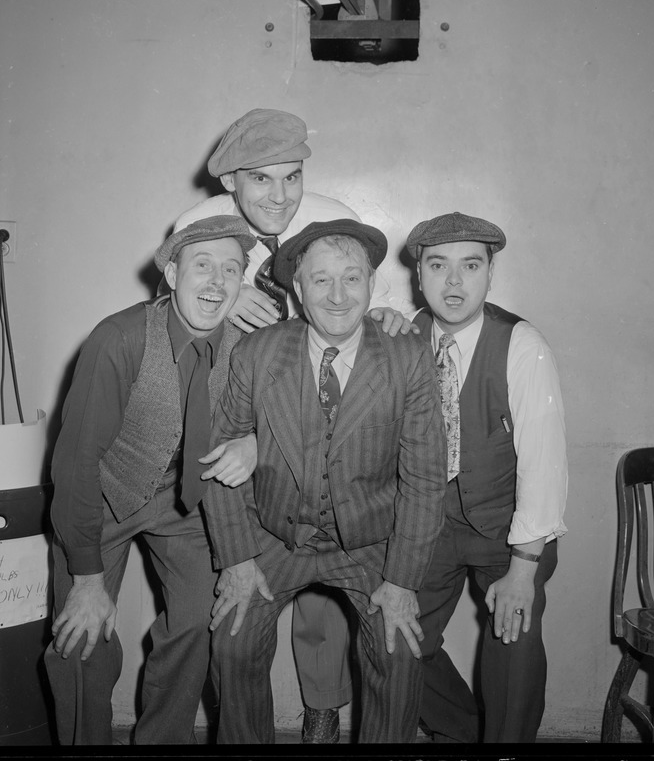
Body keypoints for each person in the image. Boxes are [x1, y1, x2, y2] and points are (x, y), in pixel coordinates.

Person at [175, 107, 413, 741]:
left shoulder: (333, 217)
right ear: (230, 183)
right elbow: (183, 313)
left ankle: (323, 708)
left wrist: (389, 323)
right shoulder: (198, 226)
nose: (279, 196)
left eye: (291, 176)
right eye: (260, 180)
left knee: (326, 606)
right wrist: (227, 304)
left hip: (331, 438)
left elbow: (362, 302)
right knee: (232, 601)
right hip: (237, 412)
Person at [202, 219, 447, 744]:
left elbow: (425, 481)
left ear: (371, 283)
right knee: (234, 639)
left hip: (370, 541)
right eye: (321, 281)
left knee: (398, 649)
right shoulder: (258, 353)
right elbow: (222, 466)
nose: (338, 297)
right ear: (297, 288)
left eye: (352, 279)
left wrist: (401, 583)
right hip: (274, 534)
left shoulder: (407, 358)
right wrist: (239, 562)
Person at [43, 215, 260, 745]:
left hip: (188, 501)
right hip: (104, 494)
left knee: (198, 622)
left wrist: (255, 443)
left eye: (230, 270)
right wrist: (88, 581)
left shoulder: (250, 348)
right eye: (202, 265)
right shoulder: (119, 338)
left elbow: (280, 423)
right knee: (81, 637)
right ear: (170, 274)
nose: (216, 282)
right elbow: (75, 465)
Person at [405, 212, 568, 743]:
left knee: (512, 645)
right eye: (439, 266)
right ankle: (469, 735)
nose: (454, 283)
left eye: (470, 266)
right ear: (419, 275)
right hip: (431, 525)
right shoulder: (403, 338)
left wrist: (524, 567)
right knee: (398, 640)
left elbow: (544, 460)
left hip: (507, 530)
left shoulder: (522, 344)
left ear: (491, 273)